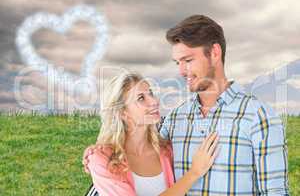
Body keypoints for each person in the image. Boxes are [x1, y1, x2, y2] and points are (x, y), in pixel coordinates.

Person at [160, 15, 289, 195]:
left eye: (188, 60)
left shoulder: (258, 116)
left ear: (214, 53)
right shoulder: (174, 118)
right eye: (178, 63)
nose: (181, 71)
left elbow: (276, 192)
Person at [83, 72, 220, 196]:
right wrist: (194, 173)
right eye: (141, 98)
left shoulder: (166, 151)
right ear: (122, 112)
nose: (154, 102)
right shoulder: (102, 160)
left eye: (151, 93)